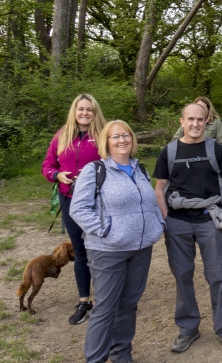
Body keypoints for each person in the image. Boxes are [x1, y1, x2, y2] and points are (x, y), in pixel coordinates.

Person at [70, 120, 164, 363]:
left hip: (141, 249)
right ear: (106, 142)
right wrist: (106, 231)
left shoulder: (140, 168)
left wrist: (158, 225)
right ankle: (95, 359)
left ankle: (122, 355)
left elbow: (149, 202)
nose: (122, 140)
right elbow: (78, 209)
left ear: (132, 139)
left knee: (129, 304)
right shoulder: (95, 170)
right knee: (105, 308)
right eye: (115, 137)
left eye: (126, 135)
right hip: (107, 251)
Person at [154, 103, 222, 354]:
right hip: (178, 222)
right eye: (190, 119)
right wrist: (167, 218)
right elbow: (159, 189)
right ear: (181, 121)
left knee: (219, 275)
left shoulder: (217, 151)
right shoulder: (169, 152)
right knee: (182, 274)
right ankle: (188, 329)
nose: (195, 124)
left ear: (207, 122)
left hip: (209, 220)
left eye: (200, 119)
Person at [41, 93, 106, 325]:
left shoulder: (103, 135)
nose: (85, 113)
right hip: (69, 198)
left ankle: (107, 299)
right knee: (79, 250)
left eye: (89, 109)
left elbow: (116, 161)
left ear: (94, 112)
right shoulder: (62, 136)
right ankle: (84, 300)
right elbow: (47, 166)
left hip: (98, 200)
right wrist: (57, 175)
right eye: (81, 109)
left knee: (101, 249)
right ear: (74, 111)